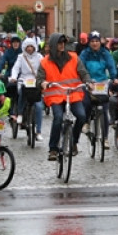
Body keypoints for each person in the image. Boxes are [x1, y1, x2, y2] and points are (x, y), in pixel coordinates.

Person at [38, 33, 90, 161]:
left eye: (63, 43)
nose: (62, 45)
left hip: (73, 94)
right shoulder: (45, 61)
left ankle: (73, 141)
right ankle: (53, 149)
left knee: (82, 116)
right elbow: (39, 79)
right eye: (59, 43)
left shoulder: (73, 57)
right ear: (53, 45)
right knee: (58, 118)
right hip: (55, 96)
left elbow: (83, 73)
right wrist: (42, 83)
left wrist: (88, 82)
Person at [79, 31, 118, 149]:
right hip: (89, 82)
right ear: (89, 42)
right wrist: (85, 80)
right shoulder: (85, 54)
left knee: (104, 110)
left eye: (97, 41)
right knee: (86, 102)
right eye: (92, 41)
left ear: (100, 42)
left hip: (102, 83)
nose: (95, 43)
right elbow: (80, 67)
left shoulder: (105, 53)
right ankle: (86, 123)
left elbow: (111, 66)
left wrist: (114, 78)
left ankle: (105, 138)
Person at [9, 36, 44, 138]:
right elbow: (16, 68)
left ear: (34, 47)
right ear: (24, 47)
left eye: (31, 46)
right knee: (21, 93)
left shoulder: (39, 57)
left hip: (36, 81)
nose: (29, 48)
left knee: (38, 106)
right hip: (24, 80)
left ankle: (38, 131)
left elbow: (44, 68)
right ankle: (20, 113)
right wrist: (14, 77)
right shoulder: (21, 57)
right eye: (27, 46)